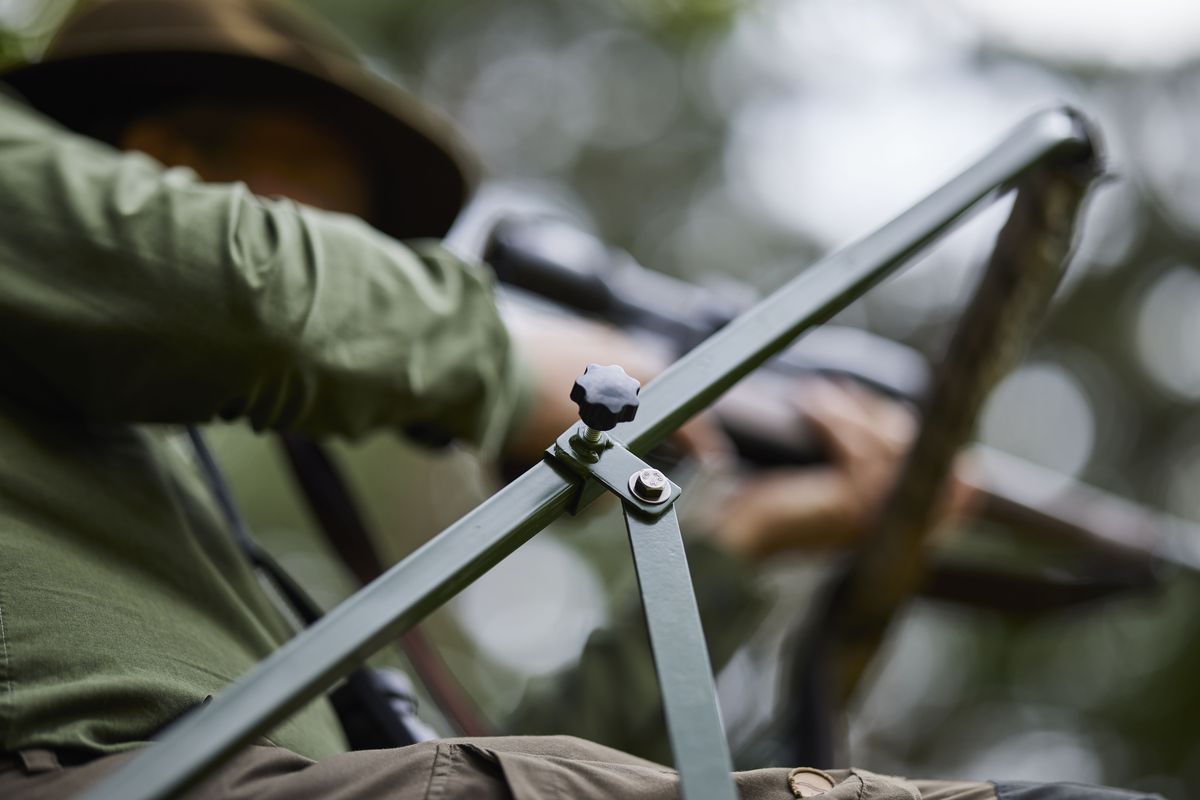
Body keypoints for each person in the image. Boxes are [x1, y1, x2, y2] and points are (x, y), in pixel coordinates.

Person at [0, 1, 1156, 798]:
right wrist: (515, 351)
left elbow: (486, 768)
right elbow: (243, 288)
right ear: (153, 155)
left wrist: (732, 548)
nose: (353, 246)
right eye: (315, 206)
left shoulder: (145, 493)